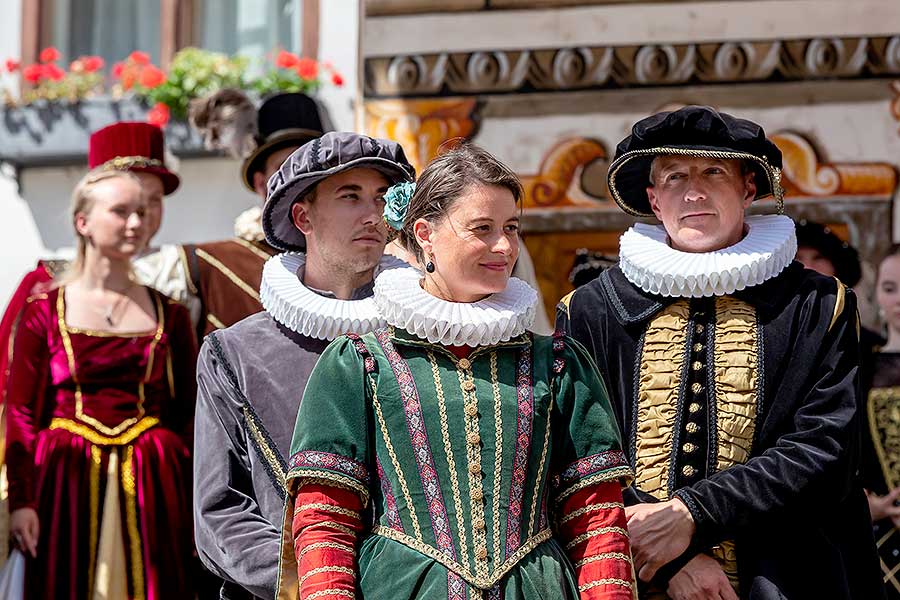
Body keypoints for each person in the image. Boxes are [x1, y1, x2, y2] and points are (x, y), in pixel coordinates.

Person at [280, 143, 636, 599]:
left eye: (511, 228)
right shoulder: (360, 363)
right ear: (425, 233)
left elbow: (596, 518)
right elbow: (325, 517)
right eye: (482, 228)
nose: (504, 246)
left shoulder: (560, 363)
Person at [557, 105, 884, 599]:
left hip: (784, 576)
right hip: (633, 575)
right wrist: (673, 562)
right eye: (674, 177)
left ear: (748, 188)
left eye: (713, 172)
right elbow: (578, 456)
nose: (694, 192)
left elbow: (827, 451)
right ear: (653, 198)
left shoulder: (818, 304)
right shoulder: (590, 309)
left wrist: (695, 514)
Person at [193, 132, 414, 600]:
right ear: (303, 216)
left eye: (381, 197)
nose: (372, 215)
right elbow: (220, 514)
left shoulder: (423, 334)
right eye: (350, 196)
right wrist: (313, 581)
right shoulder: (235, 351)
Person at [5, 169, 197, 598]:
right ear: (83, 222)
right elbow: (21, 413)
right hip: (65, 479)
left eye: (142, 212)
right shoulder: (43, 310)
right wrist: (22, 501)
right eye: (121, 212)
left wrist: (184, 493)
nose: (137, 222)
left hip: (152, 478)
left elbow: (188, 411)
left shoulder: (171, 314)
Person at [0, 122, 189, 404]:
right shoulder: (45, 283)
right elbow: (12, 392)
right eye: (122, 206)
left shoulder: (188, 276)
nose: (140, 218)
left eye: (152, 201)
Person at [185, 91, 327, 338]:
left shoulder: (360, 255)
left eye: (312, 167)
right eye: (286, 167)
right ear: (261, 183)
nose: (301, 179)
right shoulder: (209, 262)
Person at [860, 244, 900, 598]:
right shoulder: (860, 366)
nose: (899, 300)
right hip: (878, 542)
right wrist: (865, 507)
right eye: (890, 288)